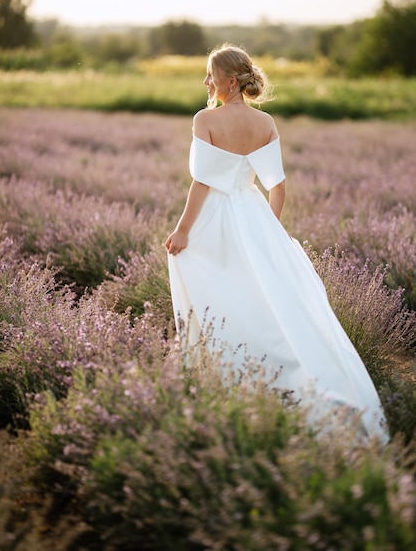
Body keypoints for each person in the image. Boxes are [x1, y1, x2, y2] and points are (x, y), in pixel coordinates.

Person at [165, 43, 388, 442]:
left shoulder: (205, 119)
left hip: (216, 216)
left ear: (229, 81)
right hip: (254, 213)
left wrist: (183, 230)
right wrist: (266, 228)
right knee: (268, 296)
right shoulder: (265, 124)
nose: (205, 82)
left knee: (215, 290)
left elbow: (202, 183)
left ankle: (225, 375)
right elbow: (278, 186)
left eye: (210, 75)